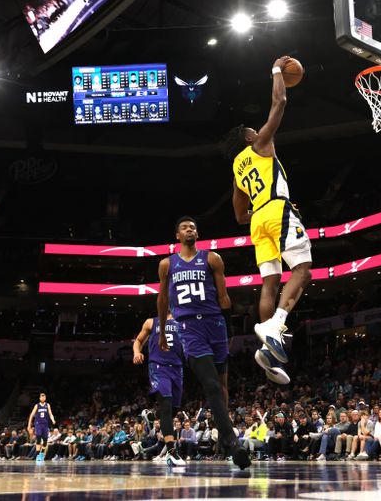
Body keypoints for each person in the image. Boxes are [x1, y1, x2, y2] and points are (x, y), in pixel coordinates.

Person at [228, 56, 312, 377]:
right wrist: (277, 69)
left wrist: (260, 207)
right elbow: (280, 101)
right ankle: (276, 326)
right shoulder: (261, 145)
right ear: (250, 138)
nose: (257, 130)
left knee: (270, 282)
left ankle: (268, 354)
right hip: (278, 210)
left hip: (257, 220)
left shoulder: (236, 170)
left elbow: (238, 214)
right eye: (253, 130)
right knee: (303, 271)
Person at [157, 216, 250, 470]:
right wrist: (164, 331)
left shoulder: (212, 259)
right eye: (185, 227)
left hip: (215, 324)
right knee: (210, 385)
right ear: (178, 235)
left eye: (193, 227)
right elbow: (163, 300)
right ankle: (233, 443)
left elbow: (224, 296)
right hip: (189, 328)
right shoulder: (167, 264)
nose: (190, 230)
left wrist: (229, 327)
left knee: (221, 387)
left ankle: (224, 433)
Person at [132, 312, 185, 466]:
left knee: (173, 411)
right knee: (166, 405)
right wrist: (137, 352)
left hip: (177, 367)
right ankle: (171, 452)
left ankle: (152, 415)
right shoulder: (151, 321)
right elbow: (139, 340)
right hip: (158, 366)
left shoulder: (182, 321)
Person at [27, 393, 55, 462]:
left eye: (44, 397)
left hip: (45, 424)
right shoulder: (37, 405)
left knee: (45, 440)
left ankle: (42, 453)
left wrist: (53, 419)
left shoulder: (47, 405)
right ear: (40, 398)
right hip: (38, 424)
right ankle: (37, 455)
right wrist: (29, 425)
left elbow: (50, 413)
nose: (43, 398)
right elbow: (31, 415)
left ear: (45, 398)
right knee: (38, 437)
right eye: (42, 397)